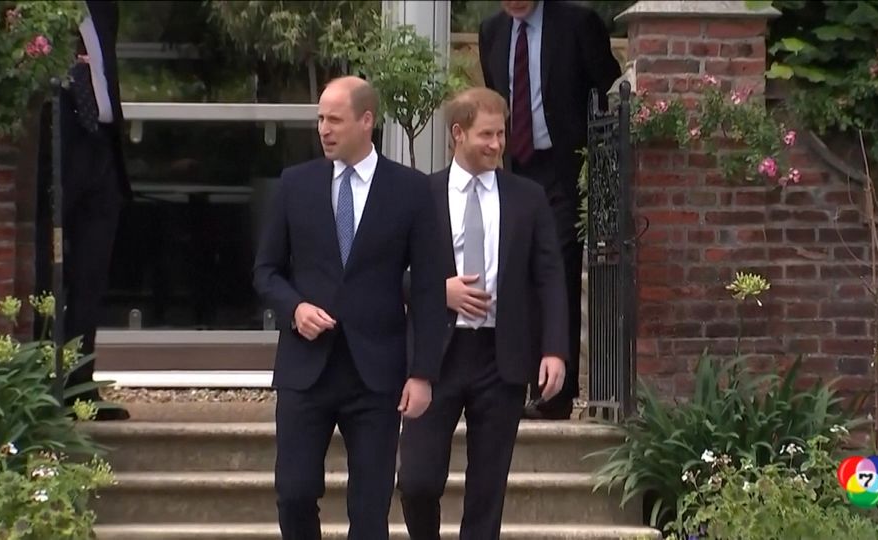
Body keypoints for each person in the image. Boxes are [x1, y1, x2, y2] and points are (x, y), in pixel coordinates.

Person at [253, 76, 446, 540]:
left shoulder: (411, 190)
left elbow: (428, 289)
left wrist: (422, 373)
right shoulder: (295, 184)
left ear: (366, 121)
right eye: (320, 119)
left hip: (376, 374)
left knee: (370, 509)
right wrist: (295, 309)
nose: (324, 129)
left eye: (334, 120)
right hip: (305, 369)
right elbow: (266, 271)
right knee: (294, 493)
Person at [396, 87, 569, 540]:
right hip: (435, 358)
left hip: (501, 357)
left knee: (487, 492)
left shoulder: (527, 197)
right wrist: (438, 291)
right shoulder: (420, 195)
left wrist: (554, 349)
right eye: (486, 135)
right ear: (458, 133)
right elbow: (385, 272)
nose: (497, 144)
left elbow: (550, 276)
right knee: (416, 481)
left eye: (501, 134)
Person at [478, 0, 621, 419]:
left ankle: (556, 394)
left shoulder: (578, 24)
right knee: (516, 271)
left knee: (555, 268)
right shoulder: (492, 32)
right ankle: (519, 383)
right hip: (516, 170)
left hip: (565, 170)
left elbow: (608, 90)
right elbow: (496, 101)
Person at [36, 0, 131, 420]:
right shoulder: (37, 12)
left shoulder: (103, 9)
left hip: (102, 152)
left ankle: (80, 387)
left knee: (90, 278)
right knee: (46, 276)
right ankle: (41, 387)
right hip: (56, 152)